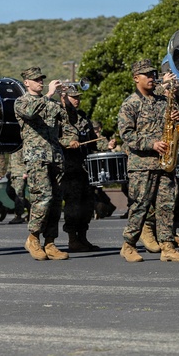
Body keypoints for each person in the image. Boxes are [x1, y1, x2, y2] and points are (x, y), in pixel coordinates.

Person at [117, 59, 179, 263]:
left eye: (153, 74)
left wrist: (178, 118)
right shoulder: (130, 104)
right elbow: (127, 135)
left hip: (164, 163)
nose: (152, 77)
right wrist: (152, 143)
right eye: (147, 75)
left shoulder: (162, 100)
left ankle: (167, 246)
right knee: (140, 206)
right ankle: (129, 245)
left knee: (167, 205)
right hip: (142, 165)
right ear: (136, 78)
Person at [14, 67, 70, 260]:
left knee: (56, 201)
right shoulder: (21, 102)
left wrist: (64, 100)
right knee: (42, 198)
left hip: (55, 156)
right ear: (26, 83)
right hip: (36, 158)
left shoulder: (51, 103)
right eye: (36, 79)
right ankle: (33, 238)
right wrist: (49, 94)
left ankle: (50, 242)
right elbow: (30, 112)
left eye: (41, 79)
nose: (40, 82)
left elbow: (68, 122)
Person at [60, 86, 99, 252]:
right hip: (69, 169)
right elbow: (54, 138)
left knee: (87, 204)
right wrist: (67, 142)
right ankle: (72, 239)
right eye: (73, 97)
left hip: (85, 168)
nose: (76, 100)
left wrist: (108, 144)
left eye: (78, 97)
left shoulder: (83, 117)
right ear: (64, 98)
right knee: (73, 205)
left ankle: (83, 237)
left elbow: (93, 140)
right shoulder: (59, 116)